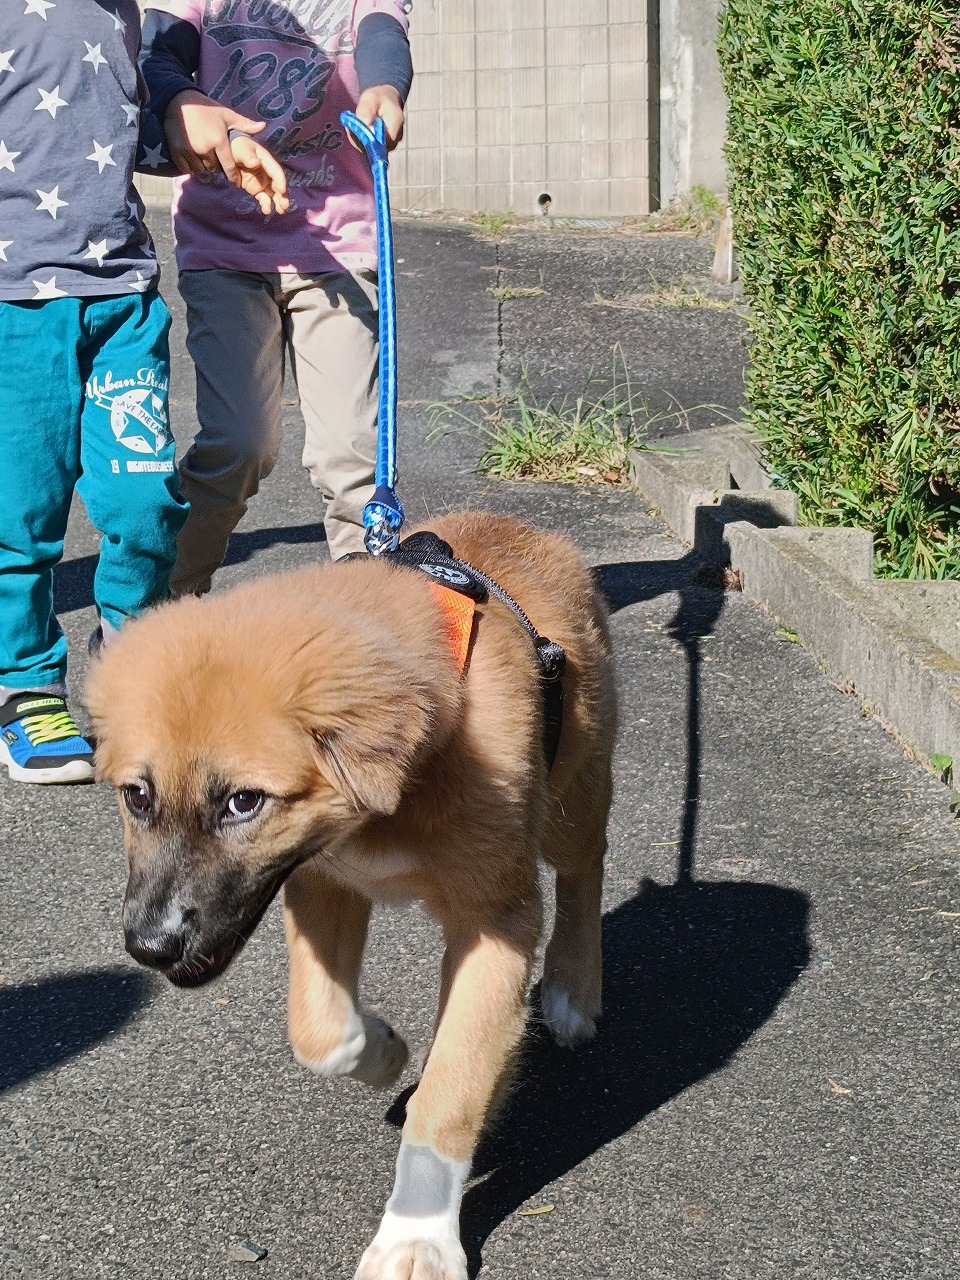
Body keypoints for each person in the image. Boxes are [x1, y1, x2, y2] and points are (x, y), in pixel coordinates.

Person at [139, 1, 414, 594]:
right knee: (239, 445)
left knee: (353, 456)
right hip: (225, 245)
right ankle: (162, 606)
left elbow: (381, 33)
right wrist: (181, 99)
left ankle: (370, 626)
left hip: (338, 246)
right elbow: (159, 53)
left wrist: (387, 87)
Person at [0, 0, 191, 785]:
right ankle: (27, 686)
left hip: (124, 298)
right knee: (21, 516)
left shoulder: (124, 16)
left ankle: (131, 648)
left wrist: (194, 131)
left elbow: (124, 129)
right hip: (15, 305)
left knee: (147, 498)